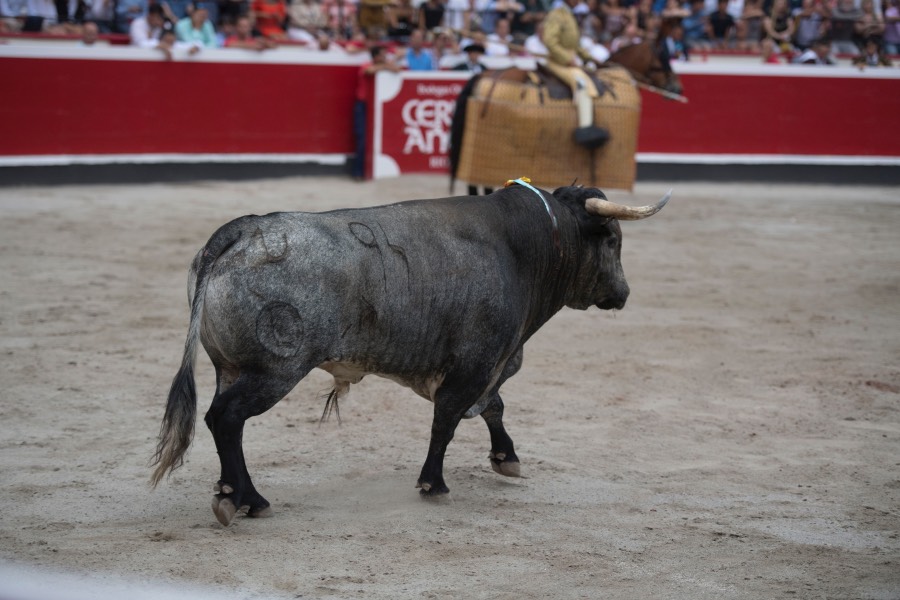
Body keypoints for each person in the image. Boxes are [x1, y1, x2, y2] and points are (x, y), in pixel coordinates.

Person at [542, 0, 607, 148]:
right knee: (581, 83)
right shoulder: (556, 15)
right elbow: (550, 41)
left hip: (569, 60)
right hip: (557, 61)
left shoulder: (569, 15)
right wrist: (566, 58)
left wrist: (590, 58)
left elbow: (575, 45)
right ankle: (585, 128)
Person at [353, 45, 401, 181]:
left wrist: (386, 65)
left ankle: (367, 172)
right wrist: (385, 66)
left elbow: (397, 69)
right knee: (362, 138)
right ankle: (358, 172)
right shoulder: (367, 65)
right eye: (382, 55)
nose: (385, 57)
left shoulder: (381, 65)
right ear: (376, 57)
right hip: (363, 106)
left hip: (374, 108)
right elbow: (369, 71)